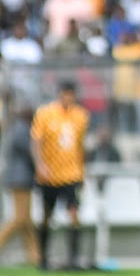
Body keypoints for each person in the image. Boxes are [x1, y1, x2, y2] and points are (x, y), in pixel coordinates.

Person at [31, 81, 90, 270]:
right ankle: (43, 259)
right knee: (47, 216)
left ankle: (73, 259)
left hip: (72, 174)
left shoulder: (81, 116)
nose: (68, 98)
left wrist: (82, 171)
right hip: (50, 175)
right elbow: (36, 141)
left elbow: (82, 145)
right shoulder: (45, 114)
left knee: (74, 214)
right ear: (59, 94)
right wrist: (40, 165)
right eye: (65, 94)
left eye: (71, 94)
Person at [0, 104, 40, 265]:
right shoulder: (23, 131)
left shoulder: (16, 129)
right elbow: (32, 153)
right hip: (20, 179)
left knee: (27, 221)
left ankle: (35, 256)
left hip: (20, 178)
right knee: (20, 218)